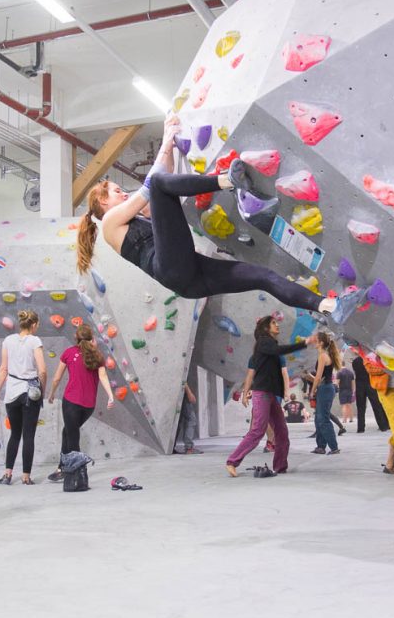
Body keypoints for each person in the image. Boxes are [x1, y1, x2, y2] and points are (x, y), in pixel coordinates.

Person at [76, 115, 345, 317]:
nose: (123, 193)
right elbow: (153, 185)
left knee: (263, 276)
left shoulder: (139, 217)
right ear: (102, 201)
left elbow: (165, 178)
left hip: (189, 277)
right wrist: (167, 136)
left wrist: (168, 146)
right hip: (172, 269)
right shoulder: (111, 223)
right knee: (158, 184)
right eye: (117, 191)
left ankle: (329, 306)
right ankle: (229, 180)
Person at [226, 316, 315, 477]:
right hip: (262, 394)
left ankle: (280, 466)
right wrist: (305, 342)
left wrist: (284, 392)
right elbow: (251, 375)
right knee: (257, 431)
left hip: (271, 395)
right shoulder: (264, 342)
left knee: (282, 431)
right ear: (266, 328)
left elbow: (264, 371)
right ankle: (232, 461)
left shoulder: (267, 349)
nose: (277, 325)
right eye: (273, 323)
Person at [45, 323, 115, 482]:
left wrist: (51, 394)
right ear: (92, 339)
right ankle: (62, 468)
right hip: (89, 405)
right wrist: (111, 396)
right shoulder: (97, 356)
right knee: (68, 431)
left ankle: (77, 472)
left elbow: (56, 378)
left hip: (71, 402)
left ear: (76, 338)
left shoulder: (69, 353)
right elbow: (103, 377)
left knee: (72, 434)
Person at [0, 310, 47, 485]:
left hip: (11, 393)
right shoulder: (34, 341)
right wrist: (42, 389)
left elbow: (3, 369)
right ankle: (25, 476)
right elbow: (43, 370)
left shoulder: (8, 340)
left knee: (14, 434)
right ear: (33, 325)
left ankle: (7, 474)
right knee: (28, 435)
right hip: (30, 392)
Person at [309, 332, 342, 455]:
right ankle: (321, 447)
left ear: (321, 343)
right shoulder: (324, 355)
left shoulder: (323, 356)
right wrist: (308, 376)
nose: (313, 342)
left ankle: (334, 447)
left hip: (325, 389)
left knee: (323, 419)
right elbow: (320, 378)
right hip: (326, 388)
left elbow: (318, 378)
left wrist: (312, 391)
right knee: (319, 419)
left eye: (315, 340)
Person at [353, 354, 389, 433]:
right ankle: (383, 426)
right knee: (376, 406)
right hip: (370, 385)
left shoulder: (355, 361)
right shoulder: (369, 361)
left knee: (360, 408)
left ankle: (360, 428)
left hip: (359, 386)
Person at [173, 383, 201, 454]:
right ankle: (189, 448)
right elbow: (181, 378)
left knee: (177, 421)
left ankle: (171, 447)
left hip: (175, 392)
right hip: (181, 392)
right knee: (191, 419)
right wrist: (189, 393)